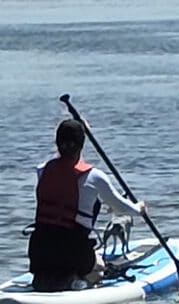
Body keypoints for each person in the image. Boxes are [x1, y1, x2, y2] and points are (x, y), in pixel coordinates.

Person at [28, 114, 140, 287]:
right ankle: (79, 281)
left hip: (40, 253)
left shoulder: (42, 171)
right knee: (100, 266)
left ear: (57, 142)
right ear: (81, 144)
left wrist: (79, 131)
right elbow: (121, 208)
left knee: (57, 253)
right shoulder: (94, 177)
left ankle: (51, 278)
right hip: (73, 254)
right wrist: (139, 208)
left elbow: (61, 162)